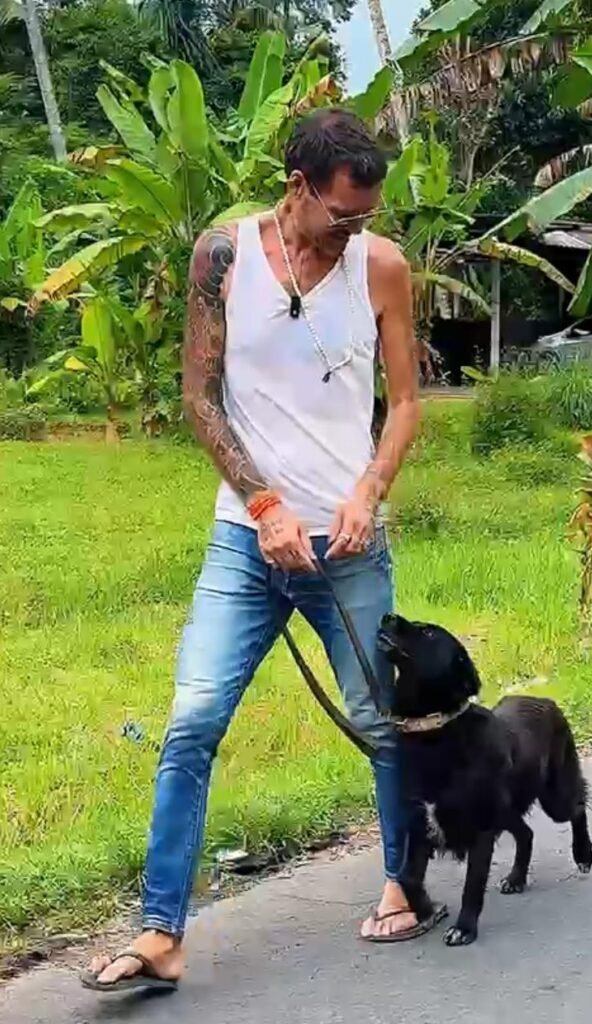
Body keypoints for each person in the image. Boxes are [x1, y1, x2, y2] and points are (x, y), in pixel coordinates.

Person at [82, 108, 436, 993]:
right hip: (247, 543)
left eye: (366, 217)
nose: (353, 232)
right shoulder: (223, 257)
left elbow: (405, 403)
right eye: (341, 215)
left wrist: (368, 491)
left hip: (348, 544)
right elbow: (199, 397)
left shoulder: (382, 266)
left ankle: (405, 880)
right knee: (193, 720)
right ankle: (160, 933)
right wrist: (265, 503)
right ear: (297, 186)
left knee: (381, 719)